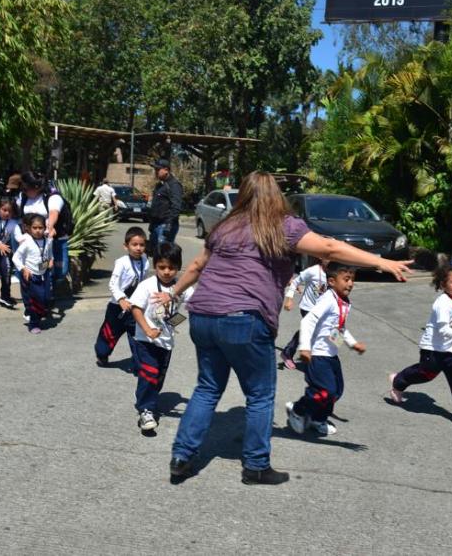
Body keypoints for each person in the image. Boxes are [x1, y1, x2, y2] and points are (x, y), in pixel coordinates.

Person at [158, 171, 412, 486]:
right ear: (276, 195)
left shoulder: (225, 226)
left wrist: (171, 293)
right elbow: (330, 248)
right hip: (245, 319)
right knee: (260, 394)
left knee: (208, 388)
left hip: (203, 317)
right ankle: (255, 465)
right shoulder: (284, 227)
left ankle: (181, 457)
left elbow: (197, 266)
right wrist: (382, 262)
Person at [388, 262, 452, 426]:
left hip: (448, 348)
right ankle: (398, 381)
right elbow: (445, 331)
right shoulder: (443, 303)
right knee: (425, 373)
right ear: (443, 284)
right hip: (432, 349)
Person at [285, 263, 365, 437]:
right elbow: (307, 321)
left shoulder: (343, 302)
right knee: (324, 391)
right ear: (332, 281)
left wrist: (352, 343)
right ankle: (298, 410)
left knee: (336, 392)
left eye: (352, 280)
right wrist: (305, 347)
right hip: (318, 355)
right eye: (346, 279)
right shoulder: (328, 299)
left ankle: (317, 419)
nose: (350, 284)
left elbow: (337, 328)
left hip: (331, 355)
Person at [128, 242, 194, 432]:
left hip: (166, 342)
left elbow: (194, 304)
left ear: (178, 268)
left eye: (171, 268)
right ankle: (146, 410)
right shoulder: (146, 286)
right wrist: (148, 330)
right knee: (149, 373)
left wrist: (172, 325)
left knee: (157, 377)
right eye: (162, 267)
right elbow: (136, 308)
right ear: (155, 265)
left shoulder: (181, 288)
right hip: (145, 340)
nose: (166, 272)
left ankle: (147, 398)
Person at [94, 226, 149, 366]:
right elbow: (113, 284)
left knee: (137, 336)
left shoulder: (145, 262)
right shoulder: (122, 262)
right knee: (109, 334)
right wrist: (121, 299)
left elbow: (143, 283)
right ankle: (102, 354)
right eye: (134, 244)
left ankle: (139, 364)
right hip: (117, 307)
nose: (138, 248)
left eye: (142, 245)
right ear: (126, 246)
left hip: (135, 308)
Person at [18, 172, 71, 306]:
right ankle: (42, 294)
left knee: (60, 270)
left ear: (37, 187)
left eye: (27, 188)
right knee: (37, 268)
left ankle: (47, 284)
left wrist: (50, 226)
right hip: (33, 241)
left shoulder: (52, 196)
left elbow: (54, 213)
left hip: (55, 238)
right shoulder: (24, 197)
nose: (25, 191)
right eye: (23, 188)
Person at [280, 257, 330, 370]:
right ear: (321, 257)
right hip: (308, 307)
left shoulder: (332, 272)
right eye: (328, 257)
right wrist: (289, 298)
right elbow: (295, 282)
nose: (331, 259)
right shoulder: (313, 271)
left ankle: (288, 352)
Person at [13, 214, 53, 334]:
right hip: (32, 275)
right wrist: (23, 269)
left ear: (44, 228)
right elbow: (16, 258)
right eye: (34, 228)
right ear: (29, 229)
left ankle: (36, 315)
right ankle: (33, 324)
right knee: (35, 300)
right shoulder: (27, 242)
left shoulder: (48, 240)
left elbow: (49, 253)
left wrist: (51, 260)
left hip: (44, 273)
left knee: (46, 298)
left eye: (40, 228)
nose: (37, 230)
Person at [148, 158, 183, 251]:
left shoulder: (174, 185)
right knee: (153, 253)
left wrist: (169, 225)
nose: (156, 172)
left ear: (166, 170)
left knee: (163, 255)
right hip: (156, 224)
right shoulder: (160, 185)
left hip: (165, 225)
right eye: (155, 169)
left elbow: (176, 207)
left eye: (158, 170)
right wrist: (152, 224)